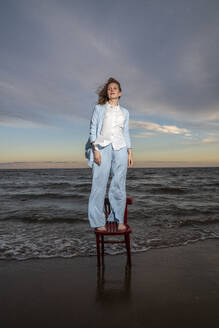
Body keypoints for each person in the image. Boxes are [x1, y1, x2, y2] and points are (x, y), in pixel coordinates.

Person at [86, 77, 133, 231]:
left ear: (120, 93)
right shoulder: (99, 108)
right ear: (107, 93)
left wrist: (130, 152)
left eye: (115, 88)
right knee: (99, 184)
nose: (112, 90)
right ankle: (98, 221)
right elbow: (93, 129)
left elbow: (125, 132)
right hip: (102, 147)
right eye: (109, 89)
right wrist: (96, 149)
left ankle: (118, 219)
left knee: (119, 185)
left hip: (120, 148)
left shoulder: (125, 112)